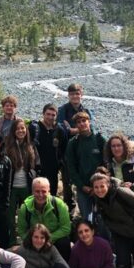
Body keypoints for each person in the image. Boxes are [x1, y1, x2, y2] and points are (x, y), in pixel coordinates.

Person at [57, 84, 94, 212]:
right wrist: (79, 130)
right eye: (72, 94)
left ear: (81, 94)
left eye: (77, 93)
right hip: (67, 150)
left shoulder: (87, 111)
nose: (75, 96)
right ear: (68, 95)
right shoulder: (62, 110)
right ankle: (70, 207)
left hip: (84, 151)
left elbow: (91, 129)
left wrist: (72, 130)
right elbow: (62, 129)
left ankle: (89, 205)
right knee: (67, 180)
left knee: (85, 177)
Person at [16, 177, 72, 260]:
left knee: (64, 242)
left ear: (49, 191)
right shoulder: (24, 208)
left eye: (44, 191)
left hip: (54, 240)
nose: (40, 195)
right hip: (34, 241)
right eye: (37, 191)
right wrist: (35, 241)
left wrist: (47, 239)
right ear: (32, 192)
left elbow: (66, 228)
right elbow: (21, 231)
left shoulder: (59, 204)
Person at [64, 112, 106, 219]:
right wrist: (82, 186)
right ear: (76, 125)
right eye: (78, 122)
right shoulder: (73, 143)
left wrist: (101, 185)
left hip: (101, 187)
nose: (82, 124)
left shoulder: (99, 139)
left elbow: (107, 163)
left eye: (84, 121)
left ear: (89, 122)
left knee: (103, 218)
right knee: (87, 219)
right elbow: (71, 168)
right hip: (83, 188)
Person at [4, 119, 39, 242]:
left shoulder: (31, 146)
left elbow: (37, 165)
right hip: (11, 187)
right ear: (13, 131)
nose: (20, 131)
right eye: (18, 129)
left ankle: (27, 241)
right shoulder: (7, 147)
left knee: (27, 216)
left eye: (23, 128)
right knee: (10, 218)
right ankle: (12, 242)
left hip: (26, 186)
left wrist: (33, 174)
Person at [29, 104, 66, 197]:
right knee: (35, 195)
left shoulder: (59, 130)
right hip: (37, 169)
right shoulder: (35, 128)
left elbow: (64, 149)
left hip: (53, 170)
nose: (50, 117)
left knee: (51, 195)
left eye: (53, 115)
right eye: (48, 114)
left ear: (56, 116)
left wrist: (60, 164)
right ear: (43, 114)